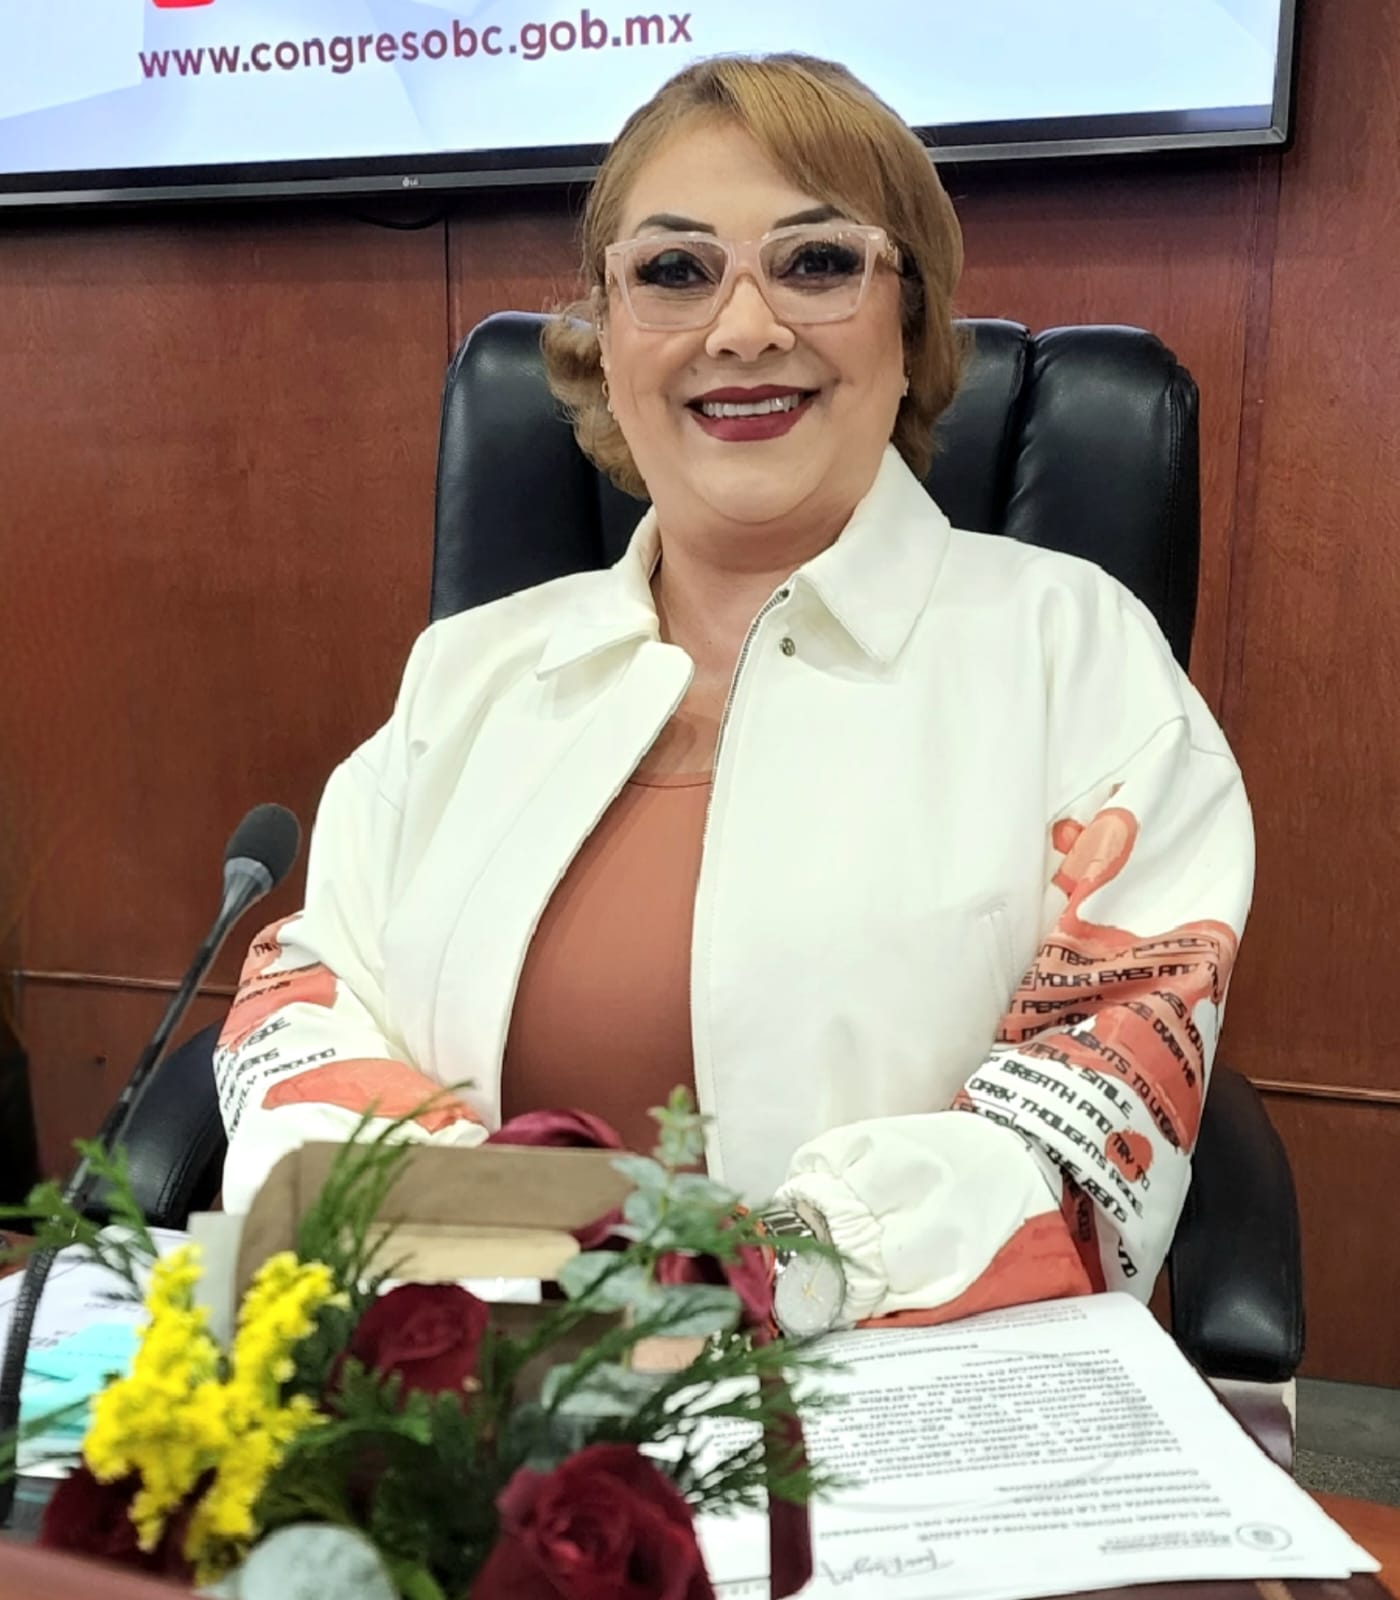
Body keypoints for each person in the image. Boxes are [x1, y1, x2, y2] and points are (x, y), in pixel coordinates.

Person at [215, 53, 1252, 1335]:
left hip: (898, 1395)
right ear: (606, 337)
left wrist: (746, 1281)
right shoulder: (467, 668)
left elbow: (1097, 1091)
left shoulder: (1073, 649)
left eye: (815, 262)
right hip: (482, 1378)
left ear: (908, 323)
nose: (743, 327)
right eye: (673, 270)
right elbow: (308, 1005)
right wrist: (493, 1276)